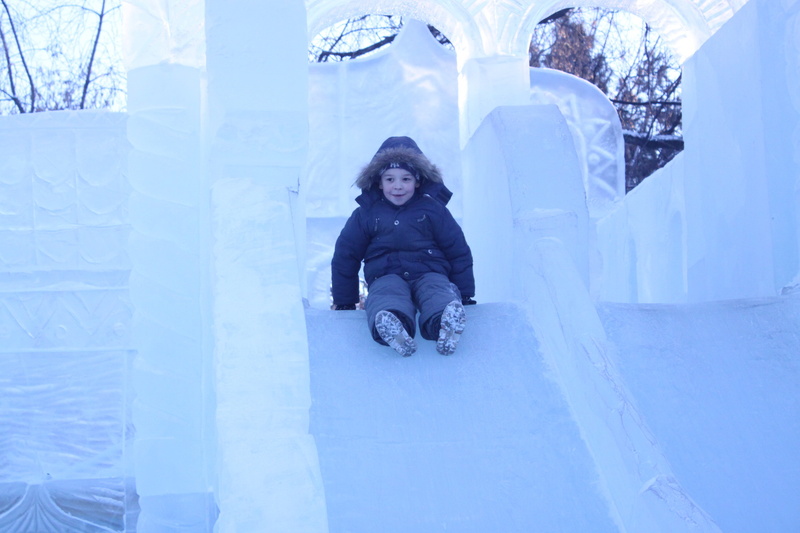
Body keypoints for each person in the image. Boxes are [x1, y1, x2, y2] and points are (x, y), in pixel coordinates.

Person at [331, 136, 475, 356]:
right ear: (379, 182)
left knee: (436, 290)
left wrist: (465, 294)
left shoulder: (433, 210)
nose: (397, 186)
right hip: (385, 274)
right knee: (386, 294)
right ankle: (393, 328)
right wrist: (345, 302)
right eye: (390, 179)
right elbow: (346, 256)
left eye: (406, 179)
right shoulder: (366, 214)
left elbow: (457, 251)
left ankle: (444, 324)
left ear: (418, 181)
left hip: (430, 271)